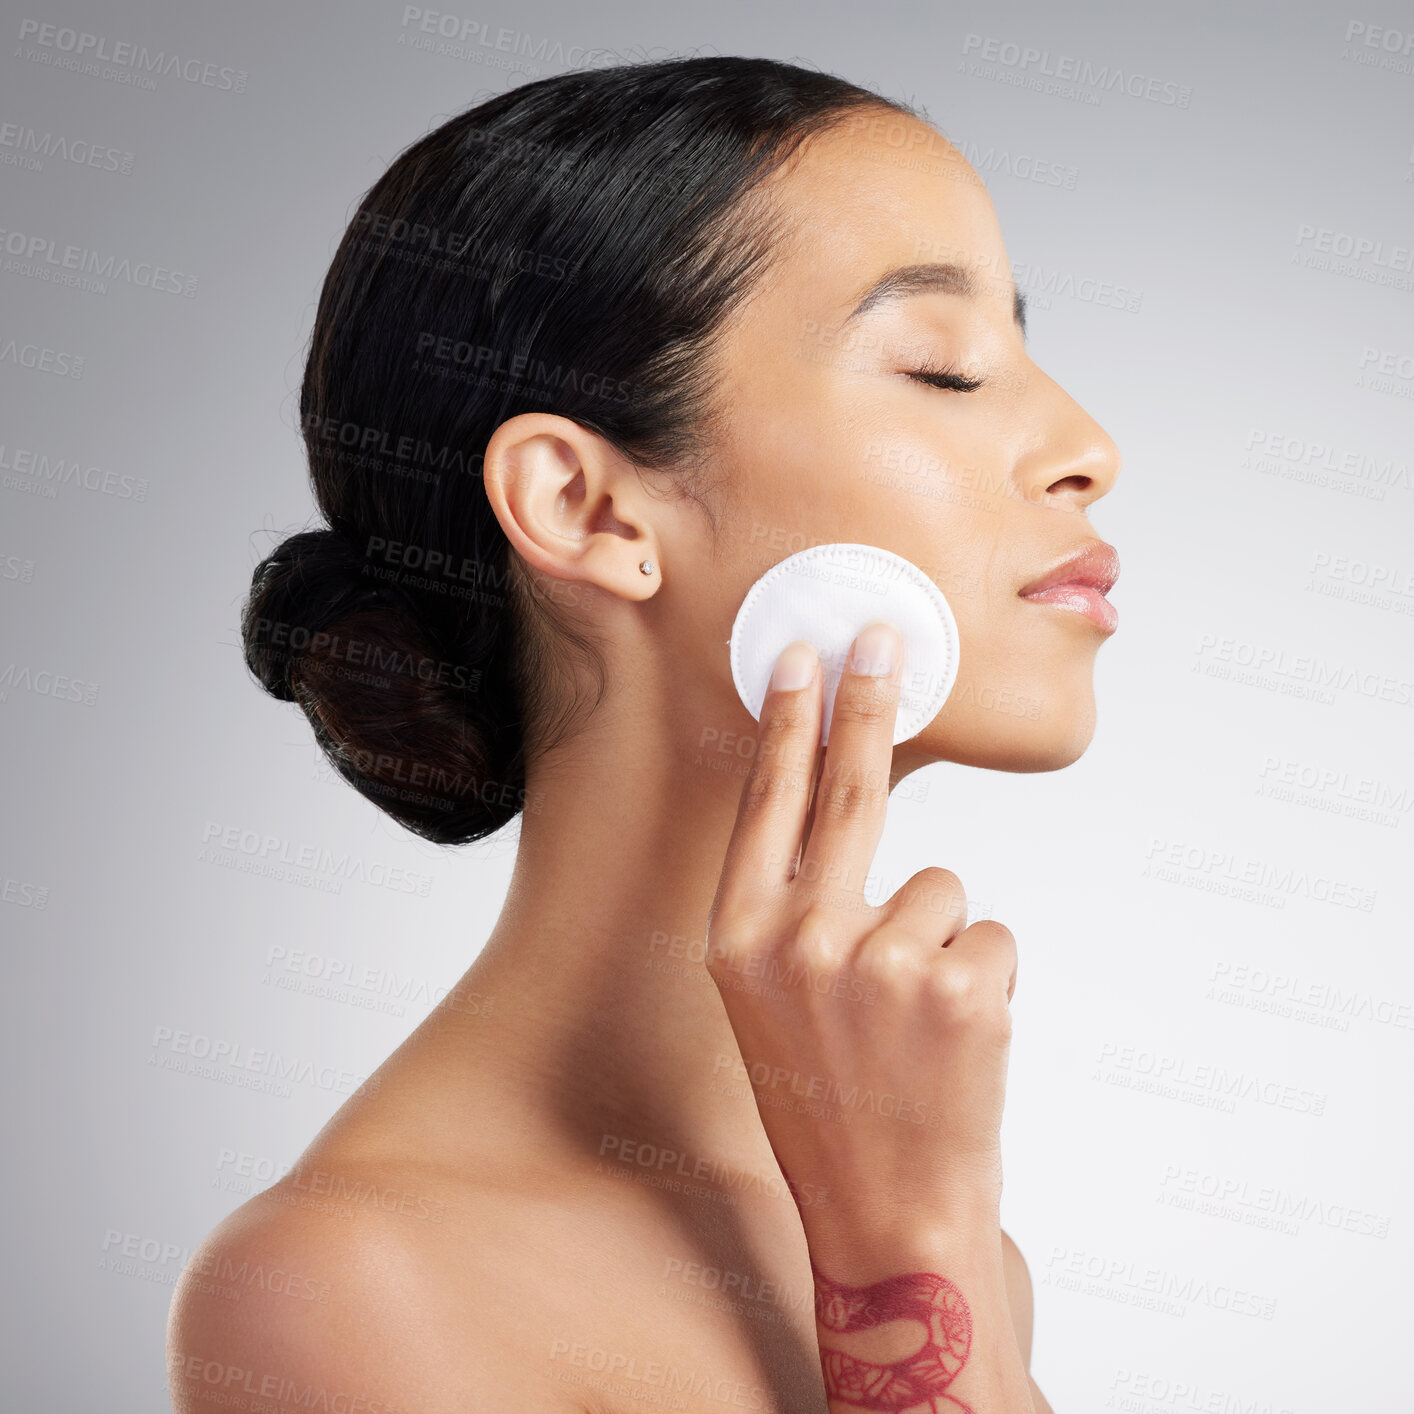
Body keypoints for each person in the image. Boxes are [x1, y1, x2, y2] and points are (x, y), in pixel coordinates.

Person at [168, 54, 1120, 1413]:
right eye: (943, 369)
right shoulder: (350, 1290)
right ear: (586, 507)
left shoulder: (945, 1240)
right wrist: (905, 1246)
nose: (1088, 444)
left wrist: (922, 1229)